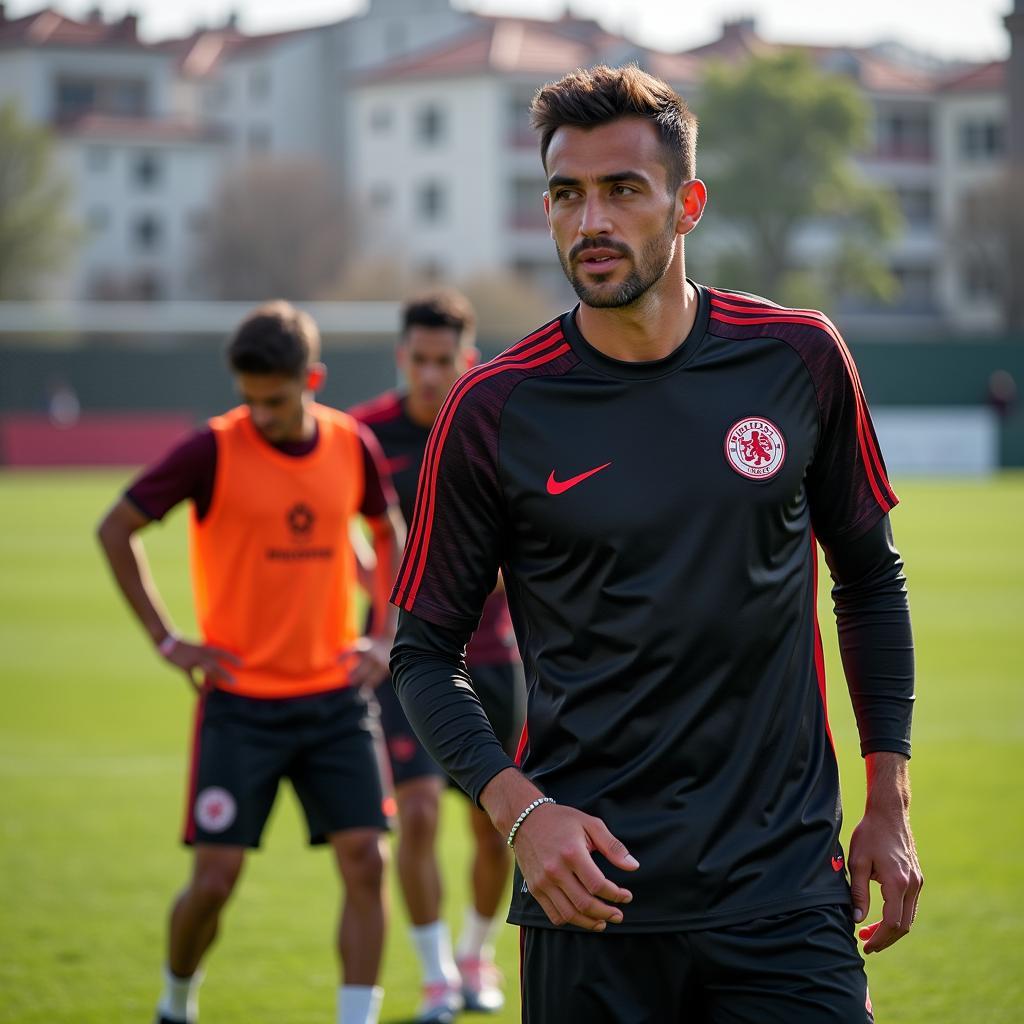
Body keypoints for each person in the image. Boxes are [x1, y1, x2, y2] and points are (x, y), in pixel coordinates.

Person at [389, 65, 922, 1023]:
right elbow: (424, 655)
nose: (590, 220)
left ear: (687, 205)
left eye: (622, 190)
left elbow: (870, 581)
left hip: (785, 888)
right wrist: (524, 815)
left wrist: (890, 795)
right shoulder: (493, 411)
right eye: (565, 193)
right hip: (589, 896)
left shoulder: (797, 358)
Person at [96, 301, 403, 1024]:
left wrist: (385, 635)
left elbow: (388, 533)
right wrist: (168, 639)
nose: (260, 414)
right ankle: (176, 1005)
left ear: (313, 379)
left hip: (334, 699)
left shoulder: (349, 443)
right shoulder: (210, 450)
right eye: (249, 399)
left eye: (276, 399)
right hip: (240, 704)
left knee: (368, 861)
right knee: (215, 880)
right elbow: (117, 527)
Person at [350, 291, 526, 1023]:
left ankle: (477, 955)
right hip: (404, 654)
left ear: (467, 360)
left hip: (493, 651)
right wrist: (377, 584)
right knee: (415, 816)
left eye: (442, 361)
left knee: (498, 822)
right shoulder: (361, 435)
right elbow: (343, 530)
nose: (428, 375)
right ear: (402, 357)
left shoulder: (494, 425)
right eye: (417, 360)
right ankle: (434, 979)